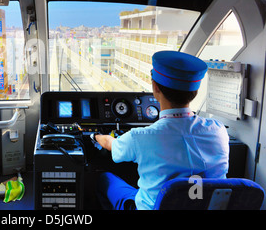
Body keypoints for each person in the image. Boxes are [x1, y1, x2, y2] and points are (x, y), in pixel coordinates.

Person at [92, 50, 229, 210]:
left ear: (155, 87)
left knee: (104, 179)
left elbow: (111, 144)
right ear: (195, 91)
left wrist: (95, 136)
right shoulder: (218, 130)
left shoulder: (140, 137)